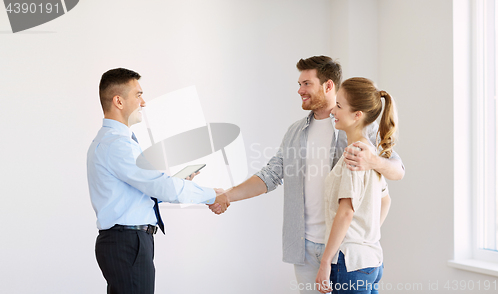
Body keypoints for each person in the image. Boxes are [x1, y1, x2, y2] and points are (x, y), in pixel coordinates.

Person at [209, 56, 404, 294]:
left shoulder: (358, 127)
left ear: (328, 85)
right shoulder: (295, 132)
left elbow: (396, 170)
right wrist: (227, 195)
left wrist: (361, 238)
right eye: (299, 84)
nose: (300, 90)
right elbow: (271, 174)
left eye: (306, 83)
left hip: (344, 253)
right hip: (306, 249)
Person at [87, 68, 229, 294]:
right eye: (138, 94)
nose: (143, 102)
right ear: (118, 101)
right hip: (128, 243)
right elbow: (162, 187)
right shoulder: (117, 144)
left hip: (126, 242)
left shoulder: (113, 141)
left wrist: (176, 183)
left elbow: (139, 194)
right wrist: (213, 194)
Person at [315, 77, 396, 294]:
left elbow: (346, 212)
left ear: (357, 115)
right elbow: (386, 200)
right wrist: (365, 235)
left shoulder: (354, 155)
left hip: (348, 263)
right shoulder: (370, 153)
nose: (333, 111)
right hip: (371, 261)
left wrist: (325, 262)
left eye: (339, 106)